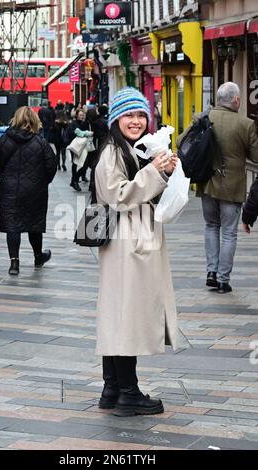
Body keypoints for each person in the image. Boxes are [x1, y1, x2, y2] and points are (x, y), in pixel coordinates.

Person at [94, 87, 178, 417]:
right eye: (129, 115)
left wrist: (166, 172)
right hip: (126, 244)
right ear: (116, 118)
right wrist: (155, 171)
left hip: (131, 242)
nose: (136, 120)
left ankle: (112, 387)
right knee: (126, 316)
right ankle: (128, 392)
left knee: (118, 313)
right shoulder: (113, 152)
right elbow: (118, 195)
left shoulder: (130, 148)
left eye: (141, 114)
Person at [177, 82, 258, 294]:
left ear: (219, 98)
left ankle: (211, 272)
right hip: (232, 188)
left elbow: (179, 141)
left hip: (207, 185)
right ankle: (223, 280)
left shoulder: (202, 118)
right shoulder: (245, 123)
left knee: (211, 226)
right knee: (229, 234)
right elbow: (256, 156)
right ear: (236, 100)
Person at [0, 106, 57, 276]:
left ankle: (14, 263)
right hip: (35, 190)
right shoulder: (41, 143)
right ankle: (38, 256)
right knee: (34, 223)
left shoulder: (4, 139)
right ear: (35, 120)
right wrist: (43, 182)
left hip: (8, 188)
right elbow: (51, 166)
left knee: (12, 225)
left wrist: (2, 176)